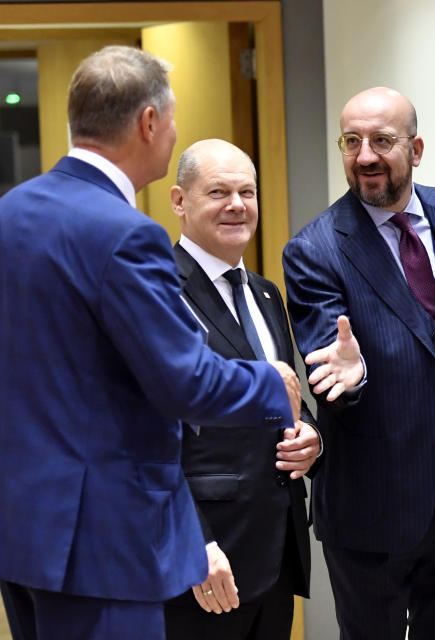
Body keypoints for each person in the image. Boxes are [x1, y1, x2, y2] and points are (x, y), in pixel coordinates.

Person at [0, 46, 302, 640]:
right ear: (148, 123)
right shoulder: (126, 233)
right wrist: (274, 383)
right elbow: (184, 381)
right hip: (103, 541)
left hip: (23, 529)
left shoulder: (12, 210)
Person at [282, 86, 435, 640]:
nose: (365, 155)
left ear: (416, 148)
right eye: (351, 141)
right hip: (369, 507)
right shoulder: (314, 250)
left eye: (382, 141)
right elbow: (330, 372)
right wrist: (353, 375)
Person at [163, 139, 320, 639]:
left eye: (247, 192)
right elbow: (146, 435)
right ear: (179, 201)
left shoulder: (266, 293)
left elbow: (287, 391)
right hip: (204, 562)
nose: (237, 205)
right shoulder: (157, 294)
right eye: (218, 192)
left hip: (276, 551)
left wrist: (312, 437)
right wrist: (194, 544)